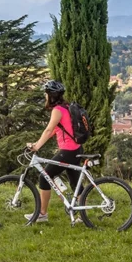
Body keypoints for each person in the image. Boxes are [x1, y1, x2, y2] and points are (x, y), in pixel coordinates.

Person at [25, 80, 81, 223]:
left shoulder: (57, 110)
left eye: (46, 94)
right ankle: (82, 216)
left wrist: (36, 147)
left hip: (68, 150)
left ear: (51, 96)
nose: (45, 96)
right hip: (76, 149)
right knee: (75, 183)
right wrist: (37, 143)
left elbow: (49, 129)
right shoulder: (66, 107)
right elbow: (54, 131)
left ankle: (42, 214)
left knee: (45, 177)